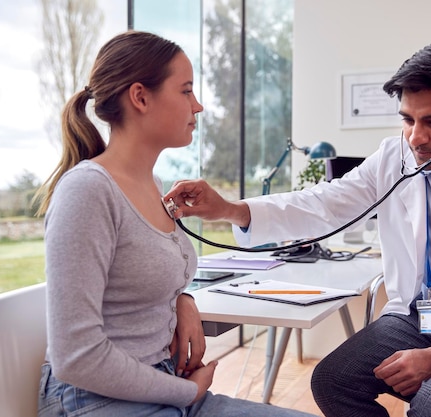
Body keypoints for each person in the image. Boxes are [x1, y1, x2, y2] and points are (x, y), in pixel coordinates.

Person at [163, 40, 431, 417]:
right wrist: (230, 209)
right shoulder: (396, 158)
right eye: (407, 119)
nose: (415, 138)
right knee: (332, 382)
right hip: (421, 318)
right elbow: (325, 204)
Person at [33, 30, 317, 417]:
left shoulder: (152, 185)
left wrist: (182, 298)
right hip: (96, 398)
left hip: (161, 386)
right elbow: (76, 358)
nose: (197, 106)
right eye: (186, 91)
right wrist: (185, 392)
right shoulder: (86, 191)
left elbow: (137, 275)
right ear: (140, 97)